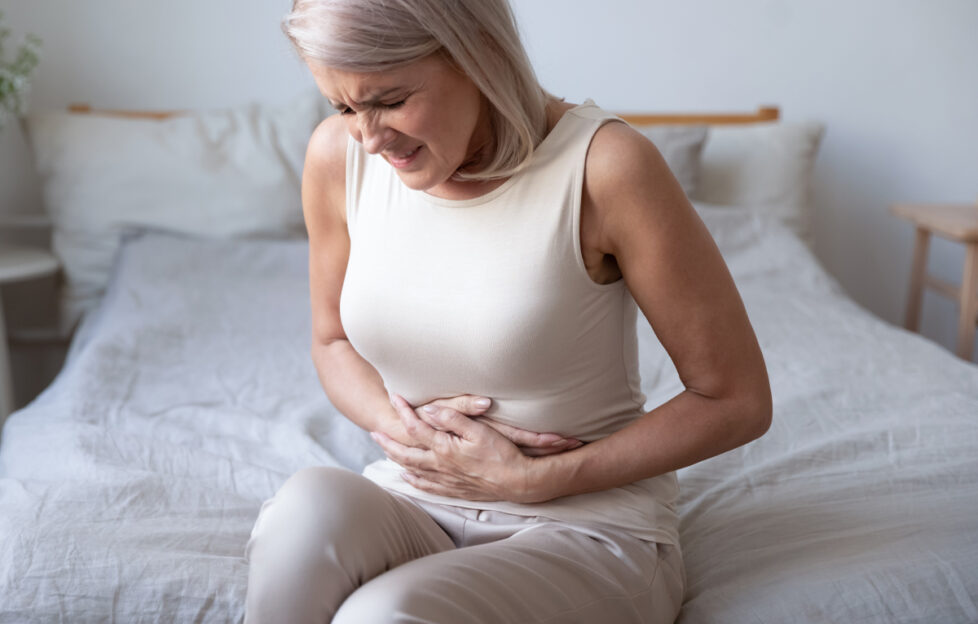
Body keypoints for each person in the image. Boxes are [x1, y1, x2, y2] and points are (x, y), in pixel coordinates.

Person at [244, 0, 772, 622]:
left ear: (480, 57)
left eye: (389, 100)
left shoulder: (606, 167)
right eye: (342, 106)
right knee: (304, 510)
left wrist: (538, 480)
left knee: (382, 616)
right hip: (418, 498)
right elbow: (332, 342)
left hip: (587, 527)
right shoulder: (339, 157)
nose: (369, 136)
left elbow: (735, 399)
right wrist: (415, 431)